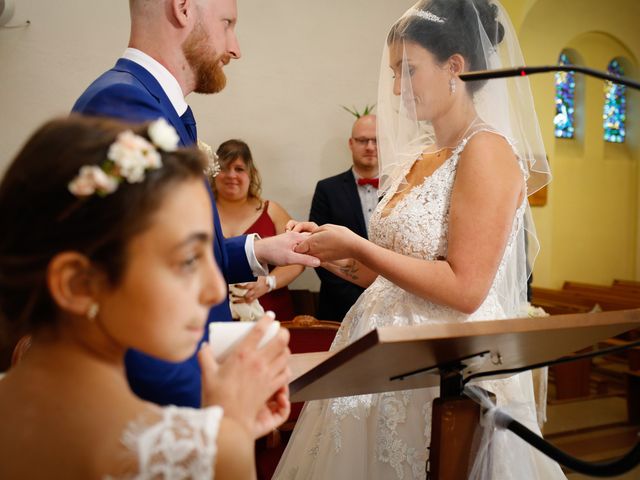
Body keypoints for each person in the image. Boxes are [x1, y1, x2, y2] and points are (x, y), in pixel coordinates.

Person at [274, 0, 566, 478]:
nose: (395, 88)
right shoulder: (416, 157)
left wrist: (357, 244)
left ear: (455, 67)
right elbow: (378, 273)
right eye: (393, 72)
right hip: (378, 357)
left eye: (407, 71)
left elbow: (466, 288)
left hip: (441, 365)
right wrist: (322, 249)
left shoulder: (487, 152)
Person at [0, 116, 291, 478]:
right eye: (188, 260)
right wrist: (227, 433)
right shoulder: (201, 454)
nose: (216, 289)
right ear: (78, 284)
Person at [71, 0, 318, 408]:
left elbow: (167, 253)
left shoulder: (151, 102)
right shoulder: (124, 105)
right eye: (228, 24)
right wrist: (198, 404)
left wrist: (258, 249)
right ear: (183, 8)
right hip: (158, 396)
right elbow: (136, 287)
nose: (235, 47)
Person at [211, 139, 303, 321]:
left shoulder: (271, 211)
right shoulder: (201, 210)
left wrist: (269, 282)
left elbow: (298, 259)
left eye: (239, 169)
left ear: (251, 174)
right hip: (216, 314)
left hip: (271, 313)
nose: (231, 175)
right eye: (224, 168)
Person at [309, 114, 379, 321]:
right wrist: (359, 301)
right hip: (339, 309)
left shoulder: (401, 187)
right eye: (362, 140)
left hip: (393, 305)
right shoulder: (326, 189)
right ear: (351, 143)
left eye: (376, 140)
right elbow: (318, 250)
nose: (369, 146)